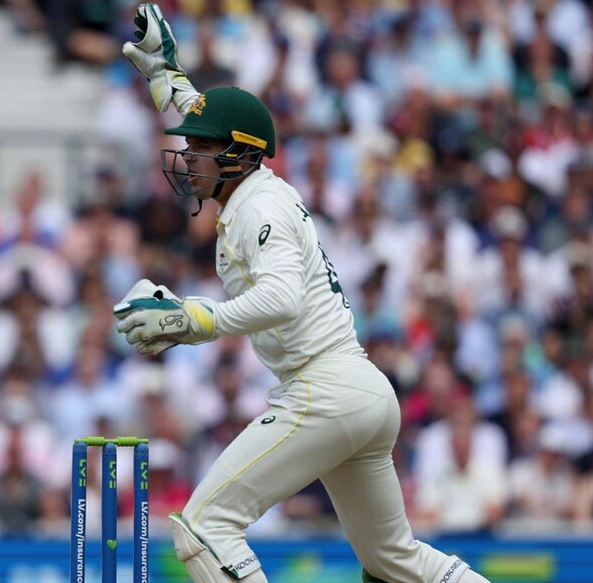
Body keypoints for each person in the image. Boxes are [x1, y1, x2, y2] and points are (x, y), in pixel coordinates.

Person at [113, 5, 493, 583]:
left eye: (199, 149)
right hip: (359, 390)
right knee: (394, 561)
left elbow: (282, 298)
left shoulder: (258, 206)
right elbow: (210, 119)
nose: (187, 158)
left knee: (203, 526)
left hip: (325, 391)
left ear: (238, 154)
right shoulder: (249, 186)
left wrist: (195, 318)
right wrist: (165, 74)